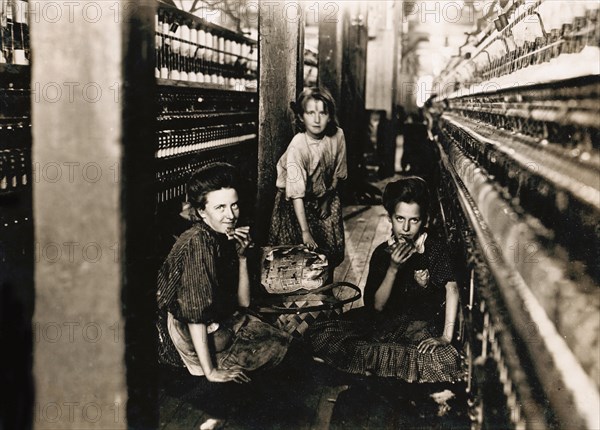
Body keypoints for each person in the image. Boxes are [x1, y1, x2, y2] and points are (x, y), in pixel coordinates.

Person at [307, 177, 462, 384]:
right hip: (384, 322)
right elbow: (377, 306)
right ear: (390, 218)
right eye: (399, 219)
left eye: (413, 220)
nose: (406, 228)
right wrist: (393, 269)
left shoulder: (434, 249)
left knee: (439, 358)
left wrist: (446, 337)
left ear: (424, 221)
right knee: (323, 335)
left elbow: (452, 288)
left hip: (420, 326)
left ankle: (373, 372)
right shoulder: (382, 253)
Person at [157, 163, 292, 383]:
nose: (230, 215)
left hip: (213, 323)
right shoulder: (197, 243)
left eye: (234, 206)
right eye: (220, 207)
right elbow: (195, 314)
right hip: (188, 332)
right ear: (202, 211)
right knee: (283, 353)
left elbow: (243, 302)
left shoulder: (219, 235)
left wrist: (242, 257)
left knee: (281, 342)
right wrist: (211, 372)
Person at [269, 87, 347, 272]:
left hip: (325, 195)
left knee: (329, 251)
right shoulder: (298, 144)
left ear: (330, 115)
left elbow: (338, 172)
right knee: (296, 255)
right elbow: (296, 194)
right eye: (311, 113)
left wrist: (327, 200)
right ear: (302, 117)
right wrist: (305, 232)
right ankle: (297, 299)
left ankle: (324, 295)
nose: (317, 119)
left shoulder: (337, 135)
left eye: (322, 112)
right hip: (295, 202)